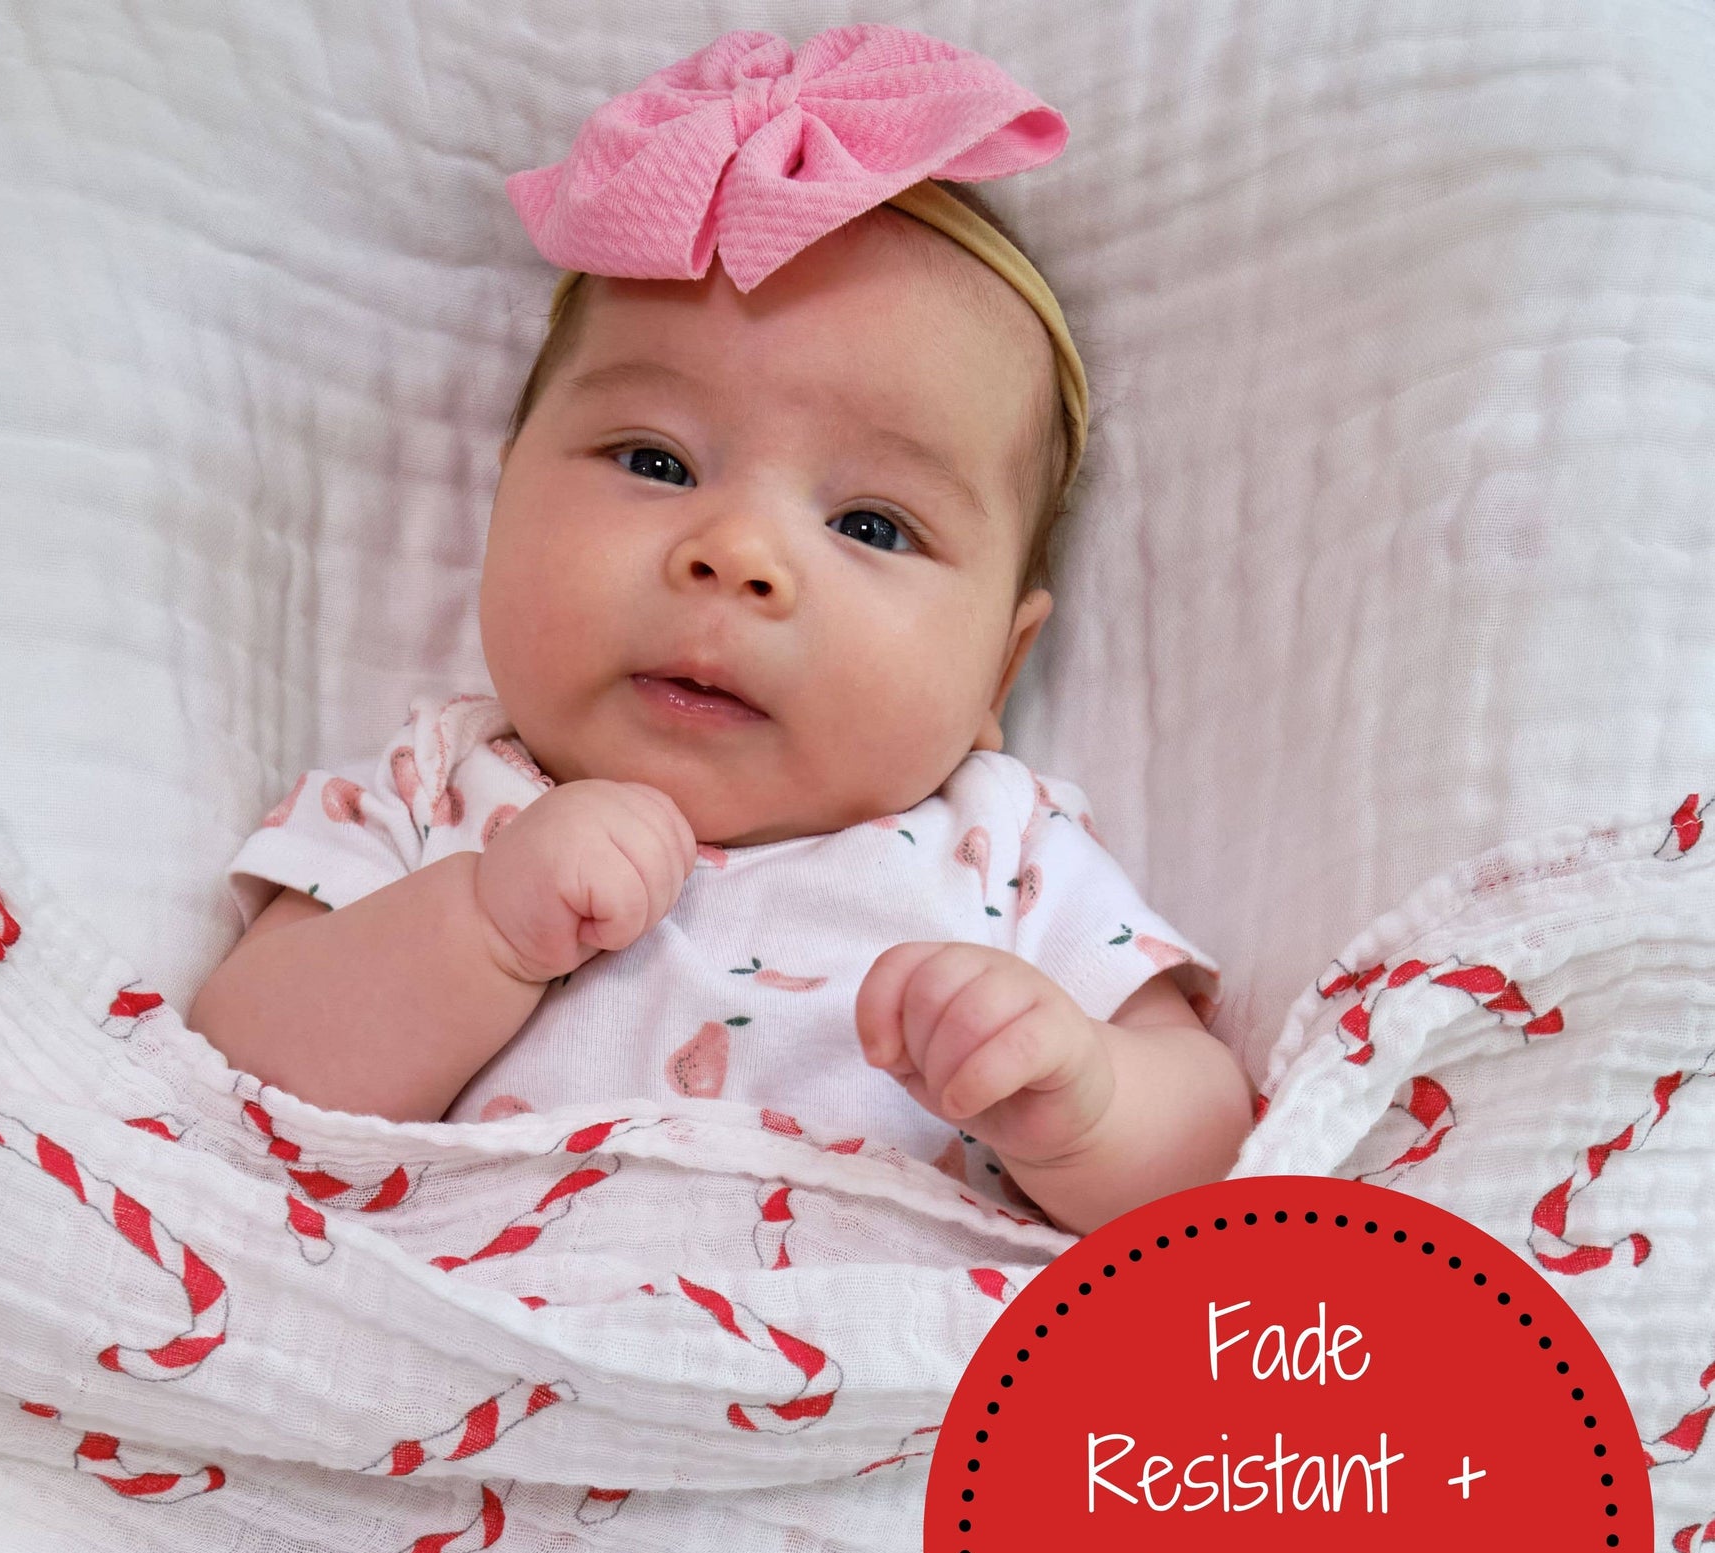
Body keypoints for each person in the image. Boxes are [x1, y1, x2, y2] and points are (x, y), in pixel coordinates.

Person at [188, 24, 1254, 1237]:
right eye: (654, 459)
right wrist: (481, 924)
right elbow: (230, 1081)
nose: (735, 555)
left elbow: (1217, 1139)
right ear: (501, 501)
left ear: (996, 669)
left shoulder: (1001, 849)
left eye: (870, 524)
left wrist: (1087, 1101)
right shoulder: (433, 792)